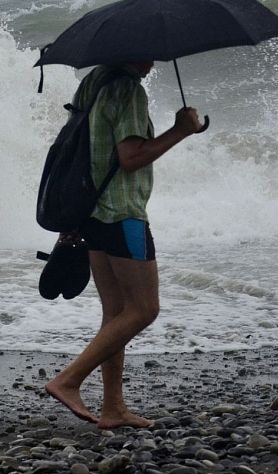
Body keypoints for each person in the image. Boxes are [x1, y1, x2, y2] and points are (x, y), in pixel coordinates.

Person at [44, 60, 202, 428]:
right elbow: (131, 158)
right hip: (122, 213)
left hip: (92, 210)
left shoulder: (94, 81)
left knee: (116, 314)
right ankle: (68, 381)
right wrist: (180, 130)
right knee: (144, 309)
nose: (151, 63)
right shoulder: (128, 89)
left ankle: (112, 408)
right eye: (148, 54)